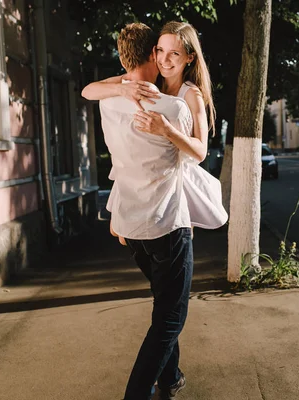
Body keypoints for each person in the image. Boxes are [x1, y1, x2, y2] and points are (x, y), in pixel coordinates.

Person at [81, 23, 192, 399]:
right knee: (170, 318)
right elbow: (194, 155)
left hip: (130, 227)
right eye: (159, 53)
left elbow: (89, 89)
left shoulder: (108, 100)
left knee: (163, 305)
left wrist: (120, 86)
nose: (163, 59)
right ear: (151, 55)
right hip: (167, 224)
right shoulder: (173, 107)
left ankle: (170, 377)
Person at [83, 21, 227, 244]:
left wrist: (167, 130)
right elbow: (88, 90)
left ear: (189, 57)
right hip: (143, 173)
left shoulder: (191, 94)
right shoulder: (150, 80)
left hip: (175, 177)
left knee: (174, 237)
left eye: (174, 54)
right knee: (122, 235)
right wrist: (121, 87)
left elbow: (200, 152)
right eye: (160, 51)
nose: (164, 60)